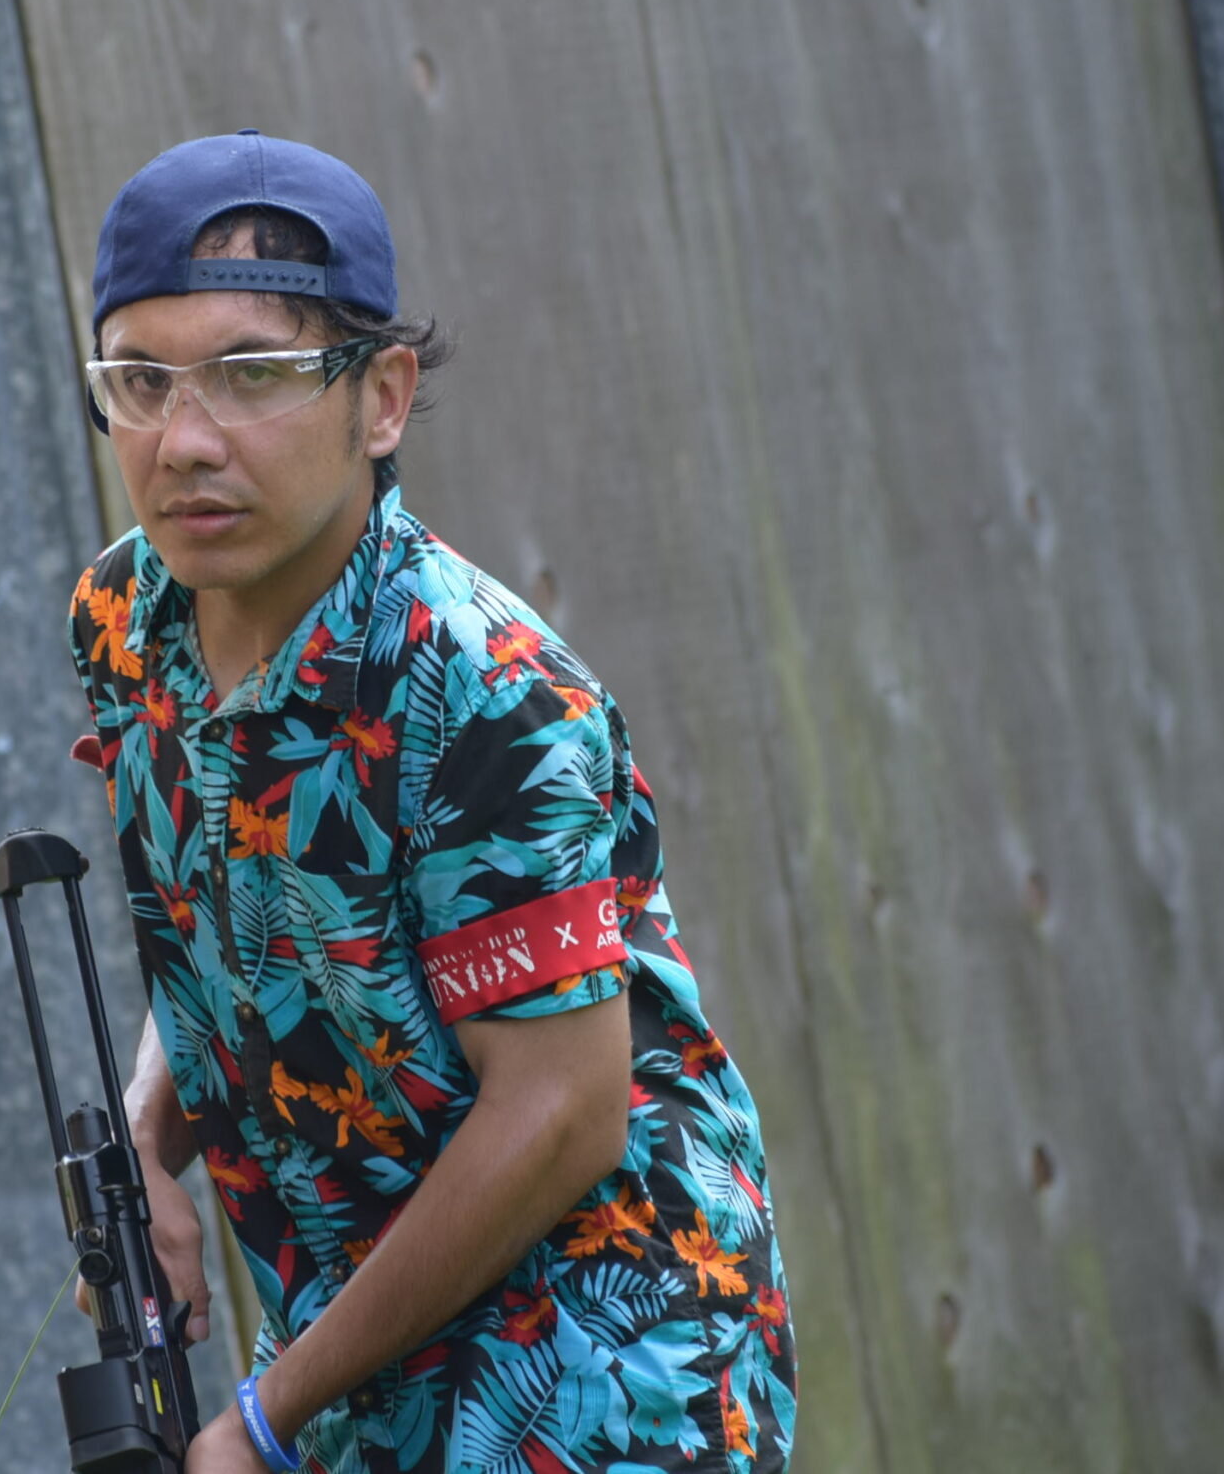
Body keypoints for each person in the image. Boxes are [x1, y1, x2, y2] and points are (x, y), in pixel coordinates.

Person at [64, 131, 795, 1474]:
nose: (185, 440)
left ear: (382, 398)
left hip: (604, 1378)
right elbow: (221, 898)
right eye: (139, 381)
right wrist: (143, 1144)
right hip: (363, 1368)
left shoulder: (485, 693)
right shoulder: (127, 617)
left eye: (254, 374)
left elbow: (560, 1114)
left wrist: (266, 1420)